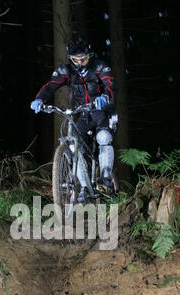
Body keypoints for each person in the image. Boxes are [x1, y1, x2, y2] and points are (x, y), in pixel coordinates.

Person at [30, 34, 119, 202]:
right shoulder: (67, 71)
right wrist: (40, 99)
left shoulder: (100, 67)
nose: (79, 63)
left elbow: (111, 85)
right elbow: (51, 86)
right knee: (72, 145)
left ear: (90, 56)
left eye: (83, 59)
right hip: (84, 113)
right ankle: (85, 187)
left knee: (103, 137)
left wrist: (105, 97)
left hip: (104, 112)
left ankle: (106, 179)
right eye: (75, 59)